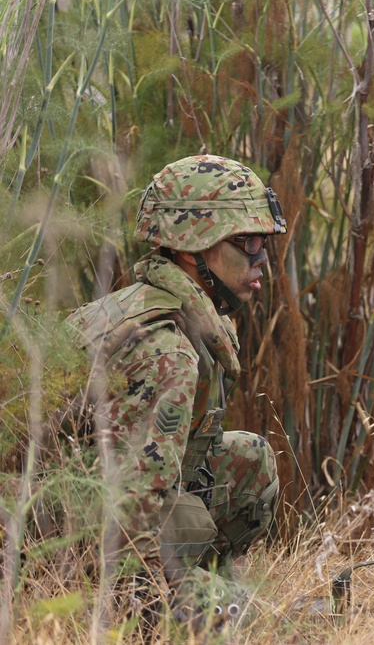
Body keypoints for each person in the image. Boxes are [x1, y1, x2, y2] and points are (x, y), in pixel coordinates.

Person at [65, 154, 286, 629]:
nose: (261, 259)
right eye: (246, 242)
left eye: (263, 244)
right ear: (191, 249)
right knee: (262, 624)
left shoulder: (138, 307)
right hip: (63, 536)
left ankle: (205, 583)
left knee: (249, 459)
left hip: (75, 510)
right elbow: (126, 517)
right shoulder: (167, 351)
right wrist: (173, 613)